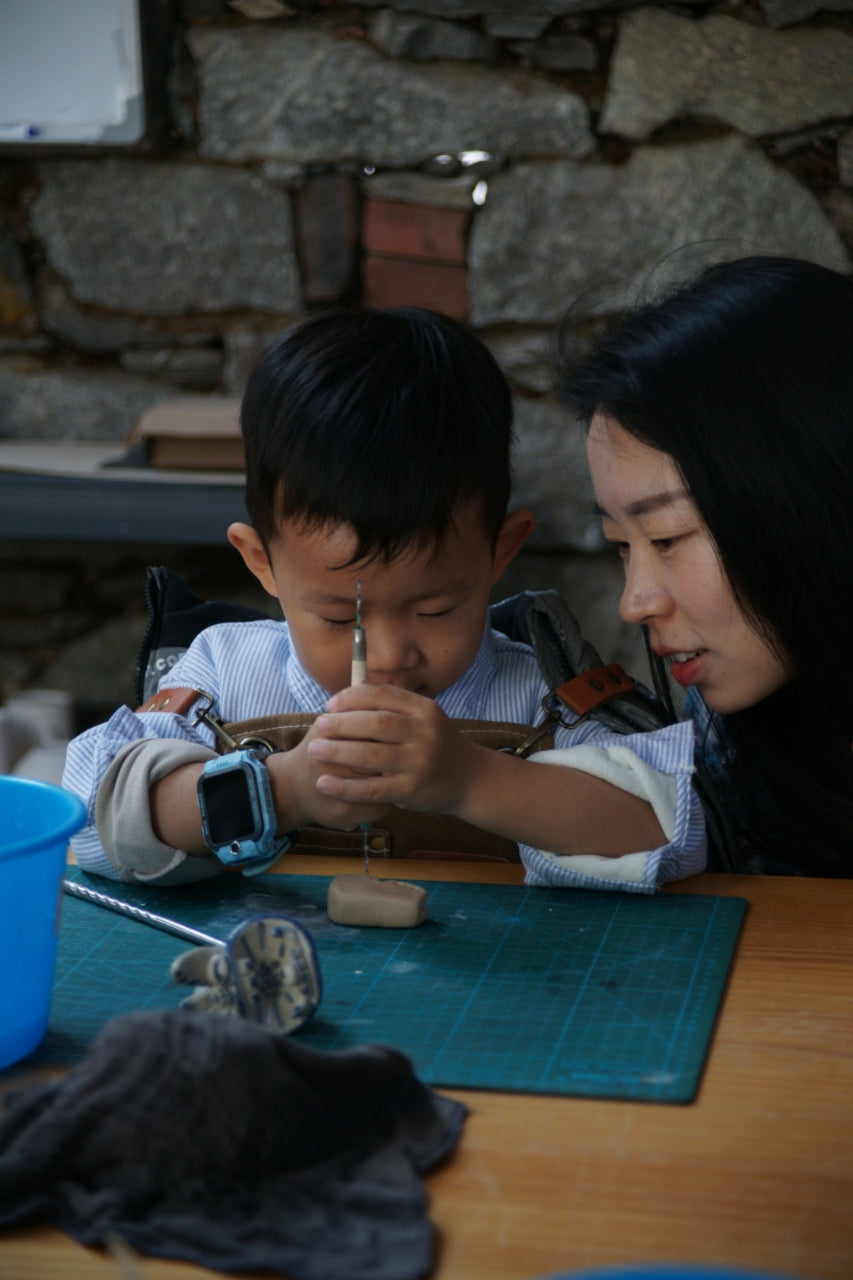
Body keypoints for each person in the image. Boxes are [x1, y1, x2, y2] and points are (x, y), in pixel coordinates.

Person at [63, 306, 706, 891]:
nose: (392, 654)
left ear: (499, 554)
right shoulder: (226, 678)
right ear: (263, 563)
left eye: (436, 610)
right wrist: (279, 792)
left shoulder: (547, 699)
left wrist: (473, 780)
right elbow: (90, 813)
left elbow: (675, 828)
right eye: (340, 616)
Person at [560, 254, 853, 876]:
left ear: (805, 498)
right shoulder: (735, 731)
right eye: (621, 544)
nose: (635, 601)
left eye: (666, 537)